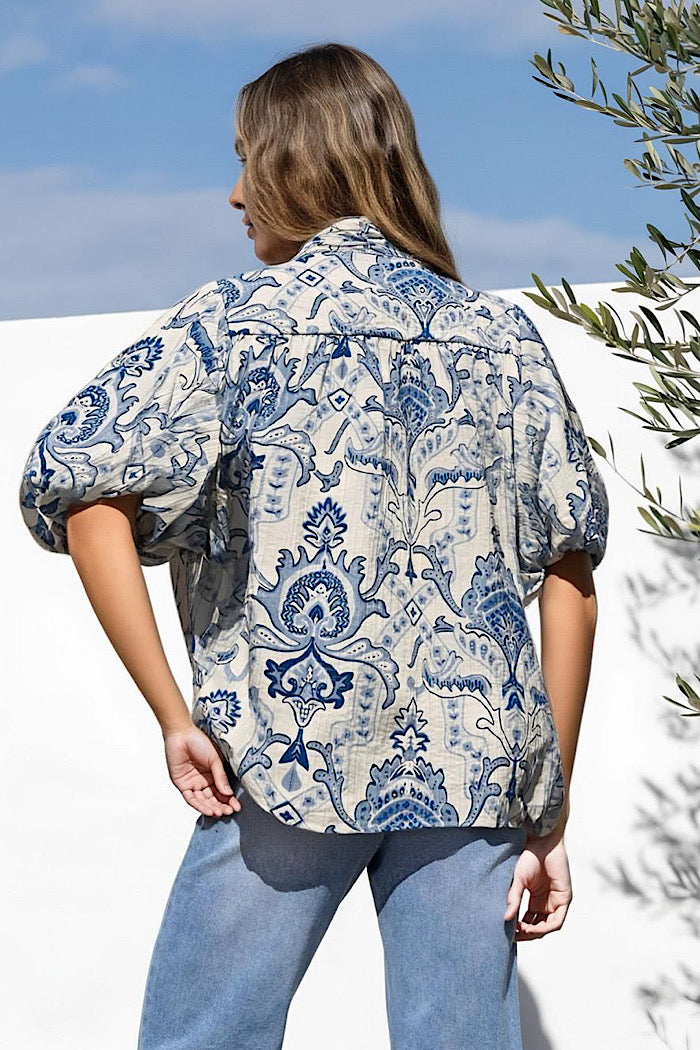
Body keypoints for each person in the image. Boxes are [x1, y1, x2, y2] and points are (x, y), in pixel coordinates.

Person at [18, 41, 609, 1050]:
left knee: (203, 1037)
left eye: (247, 159)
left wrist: (172, 717)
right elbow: (569, 573)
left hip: (282, 753)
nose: (235, 194)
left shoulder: (233, 325)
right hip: (474, 769)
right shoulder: (502, 339)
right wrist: (546, 804)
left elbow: (82, 489)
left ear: (299, 161)